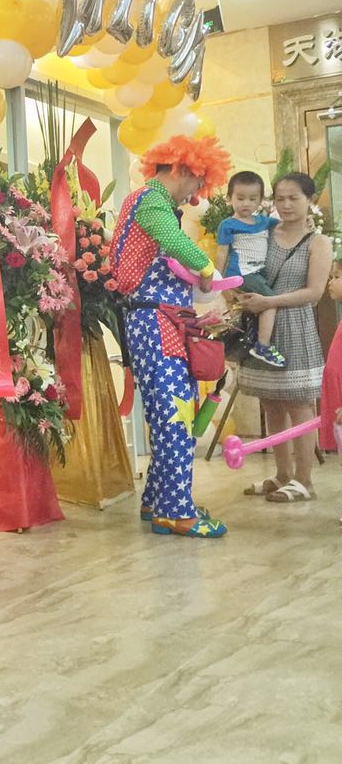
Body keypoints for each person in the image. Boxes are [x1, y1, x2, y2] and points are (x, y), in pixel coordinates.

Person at [110, 133, 231, 538]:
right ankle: (177, 512)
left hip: (160, 322)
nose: (196, 194)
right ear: (182, 169)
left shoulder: (151, 203)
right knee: (177, 416)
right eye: (198, 182)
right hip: (156, 324)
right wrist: (206, 268)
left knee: (168, 414)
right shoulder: (151, 201)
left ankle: (159, 500)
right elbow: (173, 240)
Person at [237, 172, 331, 503]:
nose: (286, 204)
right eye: (280, 198)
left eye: (294, 198)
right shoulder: (263, 233)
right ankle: (282, 475)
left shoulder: (318, 243)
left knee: (300, 404)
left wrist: (269, 301)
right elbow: (245, 268)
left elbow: (314, 292)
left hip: (296, 326)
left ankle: (304, 480)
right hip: (263, 327)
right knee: (271, 402)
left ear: (310, 200)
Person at [216, 170, 285, 367]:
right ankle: (263, 345)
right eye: (240, 198)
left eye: (252, 199)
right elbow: (222, 253)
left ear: (261, 200)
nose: (246, 203)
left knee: (254, 307)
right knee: (270, 303)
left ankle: (249, 342)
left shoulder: (264, 221)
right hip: (242, 273)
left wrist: (306, 221)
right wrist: (220, 283)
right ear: (229, 198)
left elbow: (285, 226)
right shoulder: (228, 225)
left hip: (258, 273)